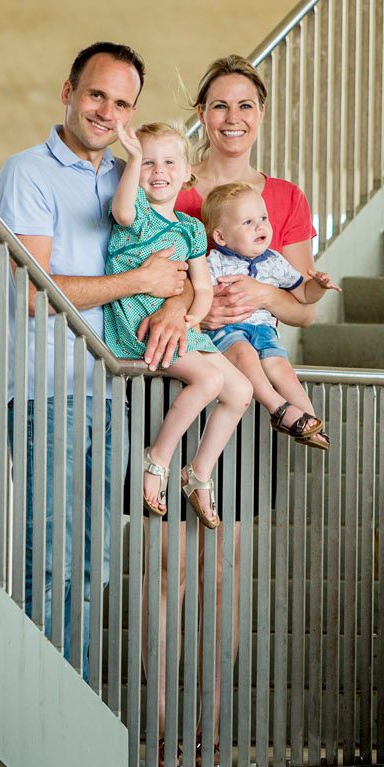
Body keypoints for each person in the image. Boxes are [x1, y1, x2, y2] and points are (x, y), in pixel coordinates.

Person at [0, 41, 191, 664]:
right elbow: (33, 292)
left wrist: (177, 304)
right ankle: (30, 705)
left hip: (113, 392)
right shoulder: (28, 172)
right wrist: (140, 283)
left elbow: (177, 270)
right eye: (97, 94)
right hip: (49, 391)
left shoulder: (132, 176)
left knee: (95, 560)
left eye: (122, 103)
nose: (107, 111)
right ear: (68, 92)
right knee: (49, 556)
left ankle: (69, 700)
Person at [101, 121, 253, 528]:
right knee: (208, 381)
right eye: (148, 163)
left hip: (179, 322)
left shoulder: (189, 228)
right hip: (136, 320)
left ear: (187, 172)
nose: (158, 170)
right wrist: (132, 157)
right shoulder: (136, 215)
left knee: (241, 390)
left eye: (169, 162)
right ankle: (158, 461)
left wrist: (188, 320)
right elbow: (122, 207)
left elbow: (201, 288)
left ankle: (198, 473)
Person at [176, 55, 320, 335]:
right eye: (220, 106)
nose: (233, 118)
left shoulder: (289, 198)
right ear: (202, 113)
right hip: (178, 362)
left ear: (260, 113)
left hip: (256, 362)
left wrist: (262, 294)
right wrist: (197, 312)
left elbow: (305, 312)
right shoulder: (172, 186)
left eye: (245, 106)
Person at [201, 179, 338, 449]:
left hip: (264, 332)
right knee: (246, 355)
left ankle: (309, 420)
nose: (260, 226)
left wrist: (318, 286)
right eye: (248, 222)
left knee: (282, 368)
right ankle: (278, 408)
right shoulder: (214, 262)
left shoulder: (274, 261)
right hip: (228, 331)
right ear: (220, 237)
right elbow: (199, 295)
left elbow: (303, 295)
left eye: (263, 217)